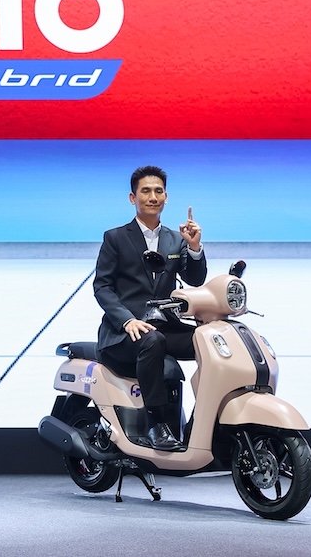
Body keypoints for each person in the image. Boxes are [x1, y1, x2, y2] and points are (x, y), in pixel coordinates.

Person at [93, 165, 206, 452]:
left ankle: (205, 419)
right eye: (145, 191)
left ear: (166, 197)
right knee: (152, 340)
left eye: (158, 191)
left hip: (165, 327)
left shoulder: (176, 239)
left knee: (209, 341)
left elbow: (195, 279)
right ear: (133, 198)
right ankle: (156, 424)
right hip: (124, 334)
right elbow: (102, 287)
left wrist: (194, 248)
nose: (152, 197)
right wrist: (126, 320)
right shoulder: (115, 237)